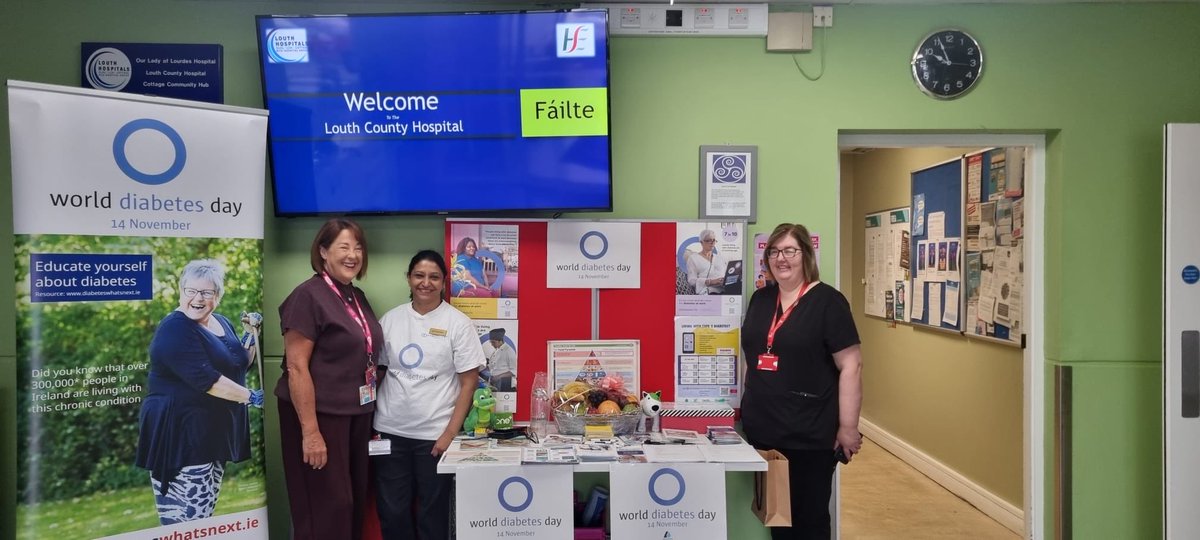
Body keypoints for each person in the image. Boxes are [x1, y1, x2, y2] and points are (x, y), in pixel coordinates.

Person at [739, 223, 863, 540]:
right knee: (778, 522)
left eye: (790, 251)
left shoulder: (828, 302)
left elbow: (851, 365)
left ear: (806, 255)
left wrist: (848, 427)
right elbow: (753, 355)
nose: (781, 258)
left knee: (809, 523)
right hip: (765, 432)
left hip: (808, 434)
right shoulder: (761, 299)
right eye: (774, 251)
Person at [275, 218, 383, 540]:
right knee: (327, 506)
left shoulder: (355, 296)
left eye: (358, 248)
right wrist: (310, 433)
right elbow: (296, 367)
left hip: (356, 414)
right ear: (323, 251)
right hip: (320, 417)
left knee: (353, 502)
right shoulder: (307, 296)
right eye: (343, 247)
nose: (353, 255)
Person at [136, 259, 262, 525]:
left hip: (212, 432)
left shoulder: (220, 322)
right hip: (182, 434)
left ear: (218, 296)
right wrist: (252, 397)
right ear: (181, 291)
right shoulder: (175, 328)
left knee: (204, 514)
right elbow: (208, 380)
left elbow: (239, 363)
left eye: (206, 292)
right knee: (188, 521)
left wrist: (251, 336)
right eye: (191, 291)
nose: (197, 298)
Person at [373, 250, 485, 540]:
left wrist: (449, 433)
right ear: (409, 279)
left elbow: (469, 383)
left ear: (444, 282)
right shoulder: (390, 320)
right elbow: (379, 372)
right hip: (389, 433)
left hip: (434, 438)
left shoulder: (458, 323)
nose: (426, 283)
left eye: (434, 277)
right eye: (419, 275)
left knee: (432, 515)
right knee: (392, 513)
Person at [686, 229, 729, 294]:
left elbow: (726, 274)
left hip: (724, 289)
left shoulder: (719, 257)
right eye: (708, 240)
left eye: (714, 240)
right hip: (709, 291)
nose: (712, 242)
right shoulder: (693, 258)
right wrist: (710, 281)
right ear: (701, 242)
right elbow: (691, 280)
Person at [486, 328, 517, 392]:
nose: (492, 344)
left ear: (500, 341)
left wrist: (498, 377)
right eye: (491, 342)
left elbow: (514, 371)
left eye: (493, 342)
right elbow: (492, 367)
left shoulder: (509, 351)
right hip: (495, 382)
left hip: (505, 383)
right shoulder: (496, 351)